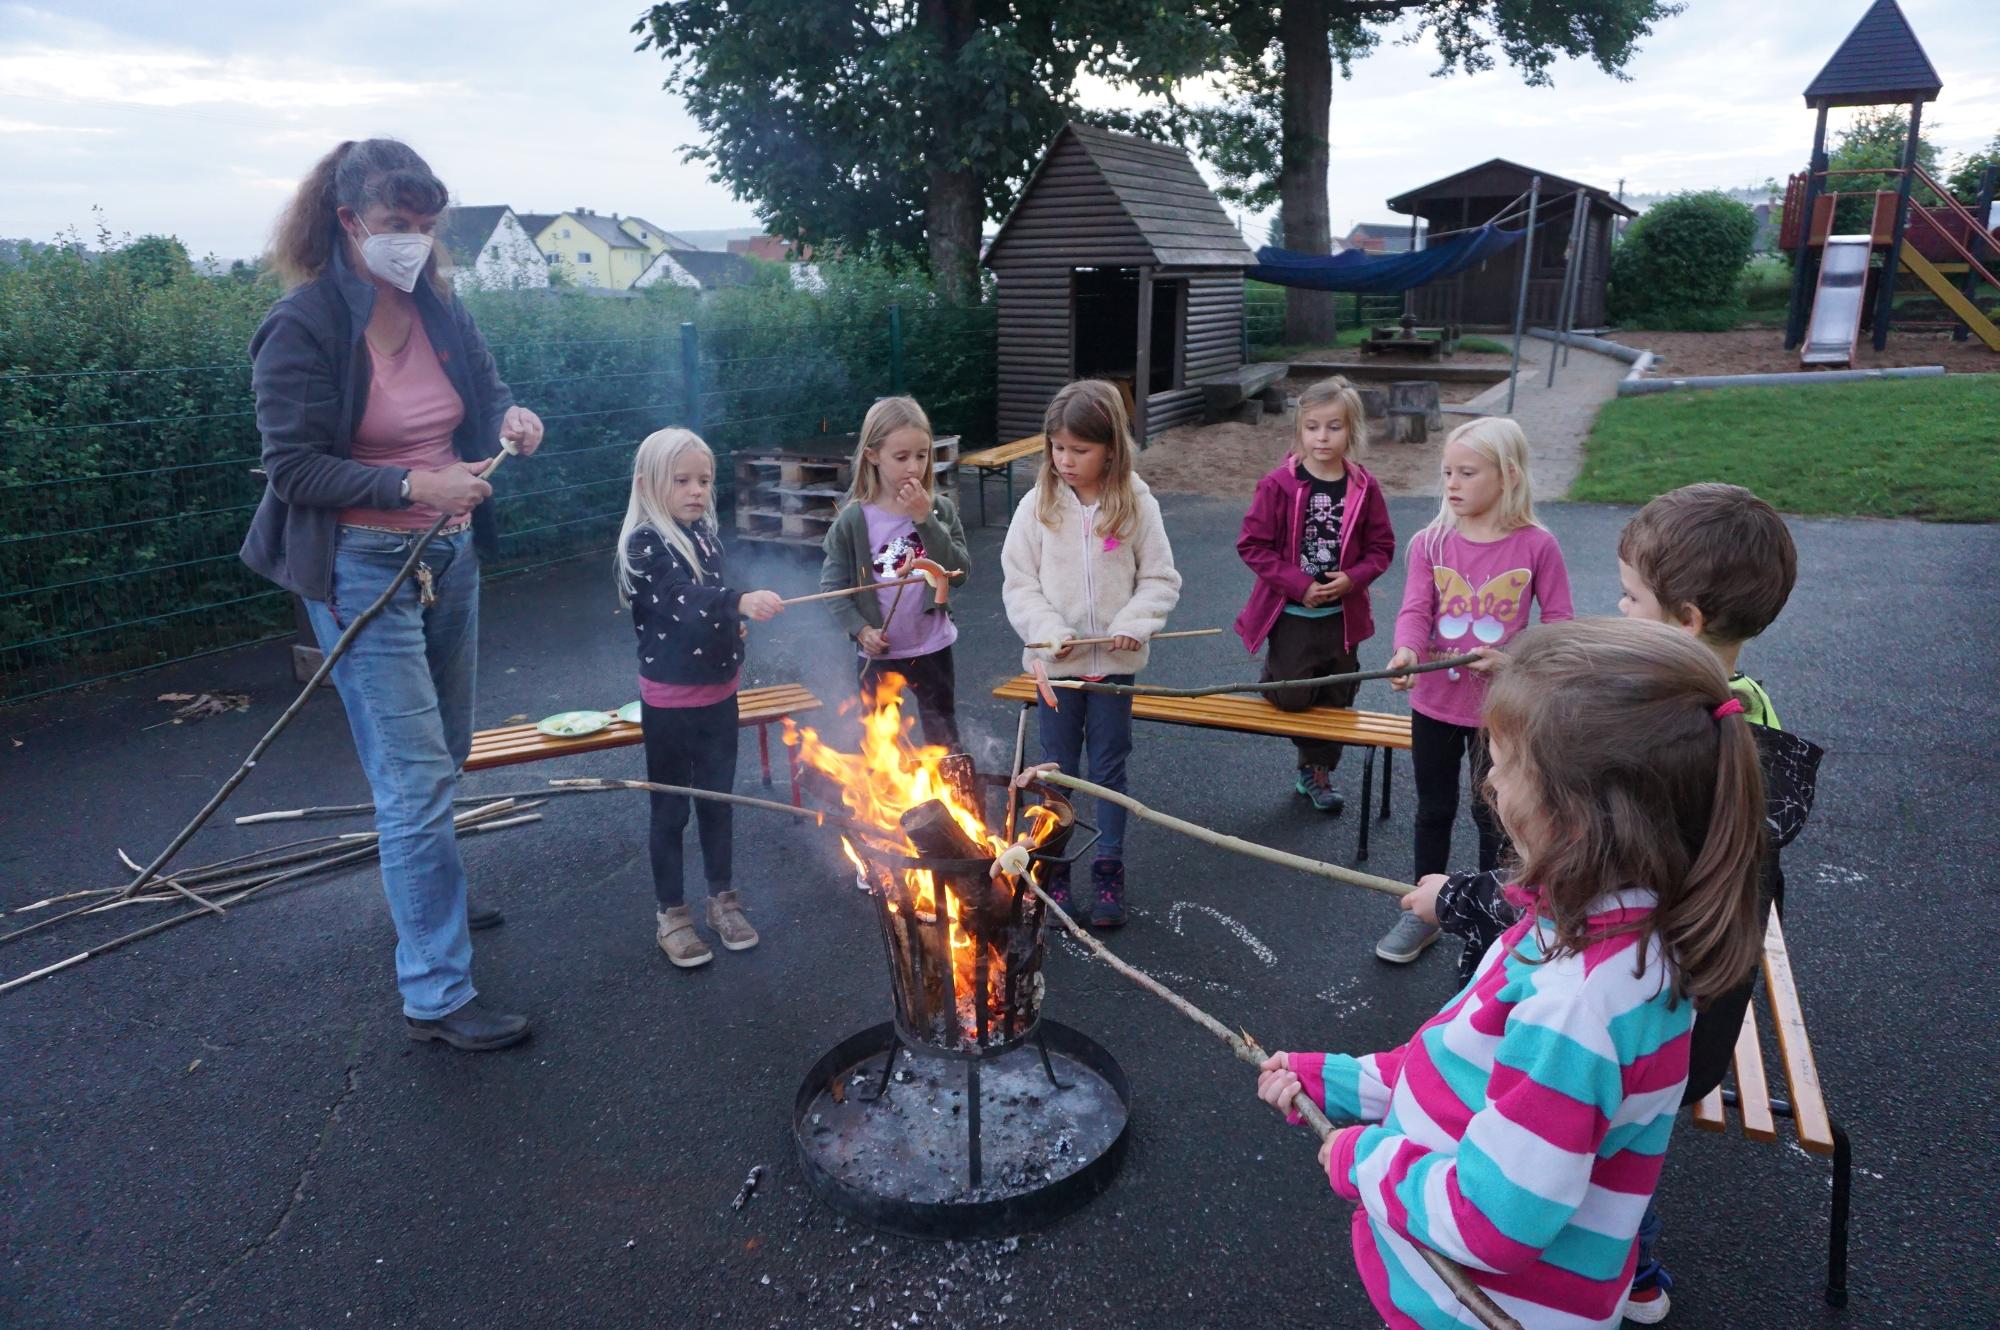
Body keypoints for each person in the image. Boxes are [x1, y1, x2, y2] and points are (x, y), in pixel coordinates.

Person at [1256, 617, 1768, 1330]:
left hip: (1476, 1312)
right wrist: (1336, 1081)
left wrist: (1361, 1158)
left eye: (1503, 760)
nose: (1490, 778)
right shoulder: (1582, 926)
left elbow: (1491, 1220)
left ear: (1575, 816)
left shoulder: (1578, 1007)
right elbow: (1461, 1068)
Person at [1402, 482, 1823, 1323]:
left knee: (1595, 1145)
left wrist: (1455, 897)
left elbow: (1592, 882)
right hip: (1701, 995)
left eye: (1629, 596)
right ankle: (1634, 1272)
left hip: (1652, 1021)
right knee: (1630, 1142)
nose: (1617, 607)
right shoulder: (1730, 718)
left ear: (1688, 619)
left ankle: (1612, 1264)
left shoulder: (1647, 742)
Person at [242, 139, 544, 1051]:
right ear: (347, 223)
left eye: (425, 226)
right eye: (395, 225)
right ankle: (437, 993)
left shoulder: (442, 310)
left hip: (449, 562)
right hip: (358, 572)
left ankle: (430, 904)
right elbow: (292, 468)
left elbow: (487, 395)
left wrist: (511, 420)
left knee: (444, 752)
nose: (414, 241)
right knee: (412, 779)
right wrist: (415, 488)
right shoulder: (300, 326)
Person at [1374, 417, 1571, 965]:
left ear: (1507, 476)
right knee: (1433, 811)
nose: (1452, 484)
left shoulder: (1538, 545)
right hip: (1434, 704)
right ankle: (1422, 911)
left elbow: (1558, 625)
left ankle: (1496, 919)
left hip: (1502, 713)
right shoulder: (1430, 542)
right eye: (1447, 473)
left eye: (1467, 472)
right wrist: (1407, 652)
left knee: (1497, 817)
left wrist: (1513, 663)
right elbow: (1415, 610)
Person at [1001, 380, 1181, 927]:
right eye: (1057, 448)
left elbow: (1159, 578)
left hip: (1113, 671)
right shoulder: (1037, 506)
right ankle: (1053, 873)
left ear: (1110, 447)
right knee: (1056, 774)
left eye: (1079, 449)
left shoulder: (1136, 502)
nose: (1065, 460)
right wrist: (1047, 630)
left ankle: (1108, 869)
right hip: (1056, 670)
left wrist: (1134, 624)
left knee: (1106, 770)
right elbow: (1018, 583)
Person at [618, 428, 785, 969]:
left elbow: (713, 610)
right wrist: (737, 602)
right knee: (670, 810)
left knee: (719, 802)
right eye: (683, 480)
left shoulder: (707, 536)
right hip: (669, 703)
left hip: (719, 696)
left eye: (705, 481)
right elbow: (682, 600)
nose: (696, 491)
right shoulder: (644, 545)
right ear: (648, 484)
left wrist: (735, 627)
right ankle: (671, 913)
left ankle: (723, 900)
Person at [1233, 377, 1395, 814]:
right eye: (1312, 427)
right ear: (1299, 430)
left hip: (1343, 618)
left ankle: (1317, 770)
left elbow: (1382, 548)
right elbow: (1252, 545)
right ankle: (1273, 681)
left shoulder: (1364, 487)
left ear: (1352, 431)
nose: (1322, 437)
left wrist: (1354, 578)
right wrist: (1298, 585)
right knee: (1293, 696)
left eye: (1334, 427)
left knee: (1337, 697)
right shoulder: (1278, 484)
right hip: (1291, 615)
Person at [817, 396, 972, 748]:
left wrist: (924, 519)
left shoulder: (940, 511)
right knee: (883, 746)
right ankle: (887, 804)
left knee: (943, 739)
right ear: (873, 456)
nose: (914, 467)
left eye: (922, 455)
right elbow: (832, 587)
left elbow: (959, 573)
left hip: (932, 647)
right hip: (879, 652)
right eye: (901, 457)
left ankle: (952, 800)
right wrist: (860, 630)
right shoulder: (854, 521)